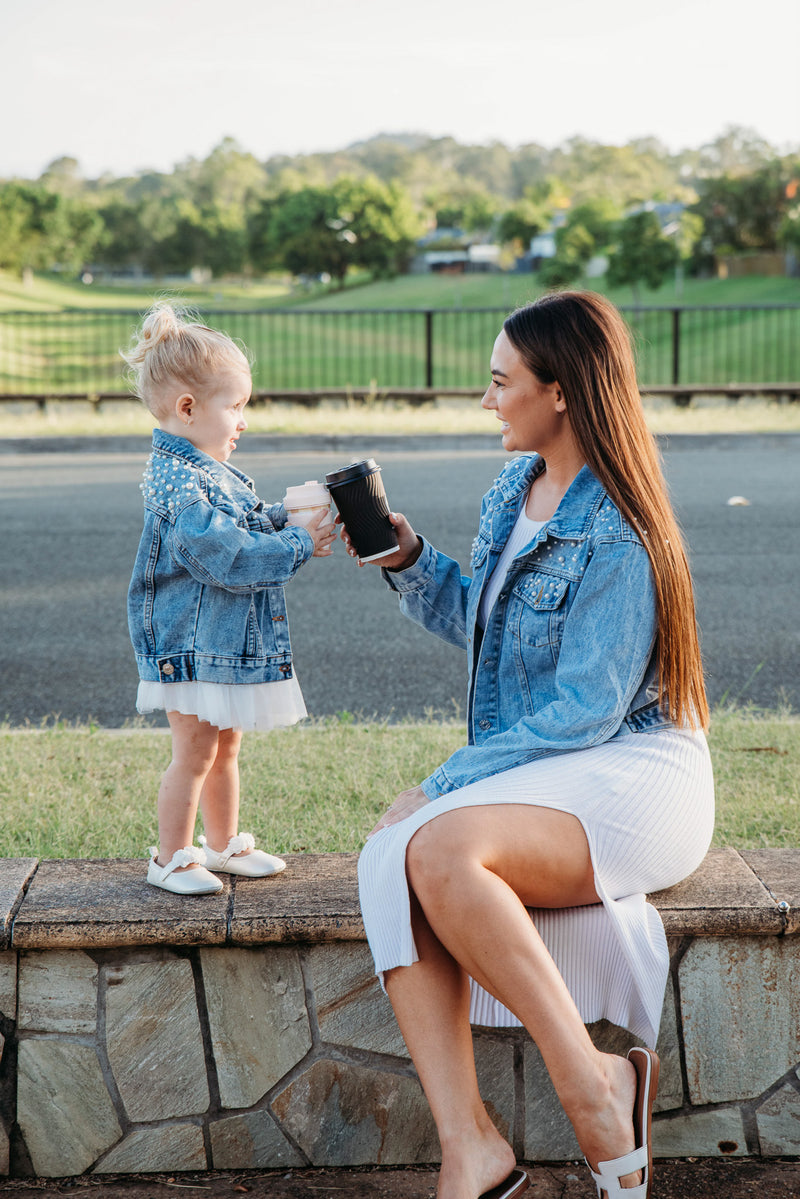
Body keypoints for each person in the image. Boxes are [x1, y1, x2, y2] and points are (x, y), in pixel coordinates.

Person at [347, 292, 714, 1199]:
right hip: (562, 763)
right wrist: (410, 559)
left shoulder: (623, 529)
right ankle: (470, 1144)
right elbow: (494, 625)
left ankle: (592, 1084)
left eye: (500, 381)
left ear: (559, 392)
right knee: (393, 852)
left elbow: (585, 707)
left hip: (637, 769)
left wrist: (441, 784)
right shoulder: (516, 489)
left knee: (434, 839)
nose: (485, 399)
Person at [123, 302, 336, 895]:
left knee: (226, 744)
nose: (243, 421)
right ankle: (170, 857)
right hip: (189, 645)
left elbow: (240, 528)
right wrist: (294, 542)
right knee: (193, 751)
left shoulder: (206, 472)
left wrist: (285, 522)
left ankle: (221, 843)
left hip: (215, 644)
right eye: (236, 406)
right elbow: (227, 557)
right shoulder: (180, 483)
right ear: (188, 408)